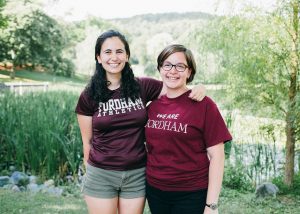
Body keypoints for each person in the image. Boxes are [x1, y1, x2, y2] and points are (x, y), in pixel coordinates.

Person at [75, 30, 206, 214]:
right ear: (98, 57)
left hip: (136, 174)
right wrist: (91, 173)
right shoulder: (88, 96)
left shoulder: (142, 86)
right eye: (108, 52)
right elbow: (87, 142)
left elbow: (176, 86)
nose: (114, 57)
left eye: (119, 51)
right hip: (101, 174)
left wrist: (199, 88)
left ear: (127, 56)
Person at [145, 44, 232, 214]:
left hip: (190, 193)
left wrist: (211, 205)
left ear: (189, 71)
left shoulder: (204, 105)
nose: (173, 71)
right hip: (155, 190)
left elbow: (217, 156)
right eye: (167, 65)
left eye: (180, 66)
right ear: (160, 69)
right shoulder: (152, 106)